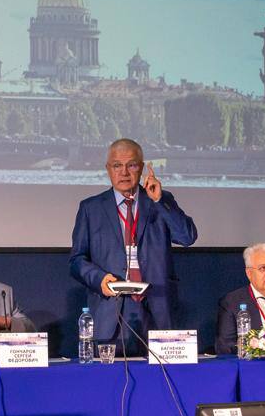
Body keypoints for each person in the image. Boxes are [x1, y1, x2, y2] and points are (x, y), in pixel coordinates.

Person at [69, 138, 197, 349]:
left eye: (132, 165)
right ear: (108, 169)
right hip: (111, 308)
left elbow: (187, 237)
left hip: (156, 306)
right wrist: (99, 279)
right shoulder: (91, 208)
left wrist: (159, 201)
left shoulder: (159, 200)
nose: (124, 172)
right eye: (117, 165)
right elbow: (76, 260)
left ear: (142, 168)